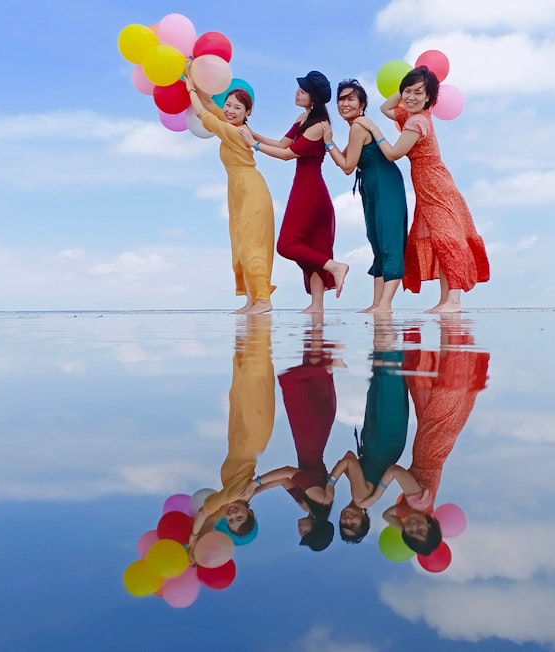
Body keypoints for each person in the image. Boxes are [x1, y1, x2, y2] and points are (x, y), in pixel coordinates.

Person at [354, 66, 490, 313]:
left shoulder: (417, 121)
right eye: (408, 91)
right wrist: (407, 88)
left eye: (419, 93)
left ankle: (454, 301)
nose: (411, 97)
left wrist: (375, 130)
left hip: (436, 185)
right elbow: (386, 108)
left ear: (429, 98)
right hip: (427, 185)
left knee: (447, 238)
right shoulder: (411, 116)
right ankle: (446, 300)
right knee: (440, 240)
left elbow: (394, 154)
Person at [359, 318, 490, 555]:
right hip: (433, 447)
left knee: (427, 392)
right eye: (423, 531)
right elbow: (395, 471)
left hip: (430, 447)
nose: (415, 528)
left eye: (411, 534)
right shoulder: (419, 502)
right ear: (431, 526)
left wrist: (403, 524)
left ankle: (445, 331)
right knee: (445, 391)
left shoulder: (412, 510)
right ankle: (452, 330)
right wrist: (376, 495)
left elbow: (390, 515)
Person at [244, 71, 349, 313]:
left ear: (313, 97)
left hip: (310, 189)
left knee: (286, 245)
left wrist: (254, 145)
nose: (297, 93)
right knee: (312, 246)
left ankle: (335, 267)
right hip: (304, 186)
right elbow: (282, 143)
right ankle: (317, 305)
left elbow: (287, 155)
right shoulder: (304, 118)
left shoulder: (319, 126)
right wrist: (249, 132)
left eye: (302, 91)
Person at [186, 71, 276, 314]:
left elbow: (201, 113)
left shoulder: (234, 132)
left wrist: (190, 89)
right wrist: (192, 76)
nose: (230, 110)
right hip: (237, 190)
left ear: (248, 113)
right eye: (228, 105)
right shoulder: (228, 125)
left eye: (237, 107)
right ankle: (251, 301)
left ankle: (264, 300)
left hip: (251, 188)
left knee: (251, 245)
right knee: (239, 246)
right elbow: (209, 105)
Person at [252, 316, 343, 551]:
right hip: (312, 436)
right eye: (305, 534)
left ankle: (316, 331)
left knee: (299, 387)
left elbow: (284, 481)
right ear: (317, 528)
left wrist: (253, 494)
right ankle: (321, 338)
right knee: (296, 385)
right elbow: (288, 471)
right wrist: (255, 483)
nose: (299, 531)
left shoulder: (306, 505)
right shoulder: (320, 498)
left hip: (304, 440)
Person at [321, 79, 408, 313]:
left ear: (362, 104)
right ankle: (377, 303)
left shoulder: (359, 126)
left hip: (385, 184)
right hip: (371, 186)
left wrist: (328, 143)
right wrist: (330, 145)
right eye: (341, 99)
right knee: (376, 241)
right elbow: (346, 160)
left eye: (351, 99)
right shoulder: (355, 128)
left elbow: (347, 166)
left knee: (388, 240)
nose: (344, 103)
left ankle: (385, 304)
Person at [190, 316, 275, 550]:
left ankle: (249, 330)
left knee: (241, 389)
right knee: (252, 386)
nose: (232, 515)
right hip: (250, 436)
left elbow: (213, 516)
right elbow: (202, 514)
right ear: (250, 512)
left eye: (231, 520)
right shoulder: (235, 494)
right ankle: (257, 328)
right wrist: (194, 538)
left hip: (241, 436)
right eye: (240, 518)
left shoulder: (234, 496)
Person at [330, 314, 409, 543]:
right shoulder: (361, 497)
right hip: (383, 439)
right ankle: (384, 321)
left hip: (384, 440)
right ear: (364, 519)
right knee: (387, 378)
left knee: (382, 379)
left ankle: (384, 323)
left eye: (343, 523)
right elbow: (348, 459)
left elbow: (350, 464)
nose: (347, 520)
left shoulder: (365, 497)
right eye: (353, 524)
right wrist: (329, 484)